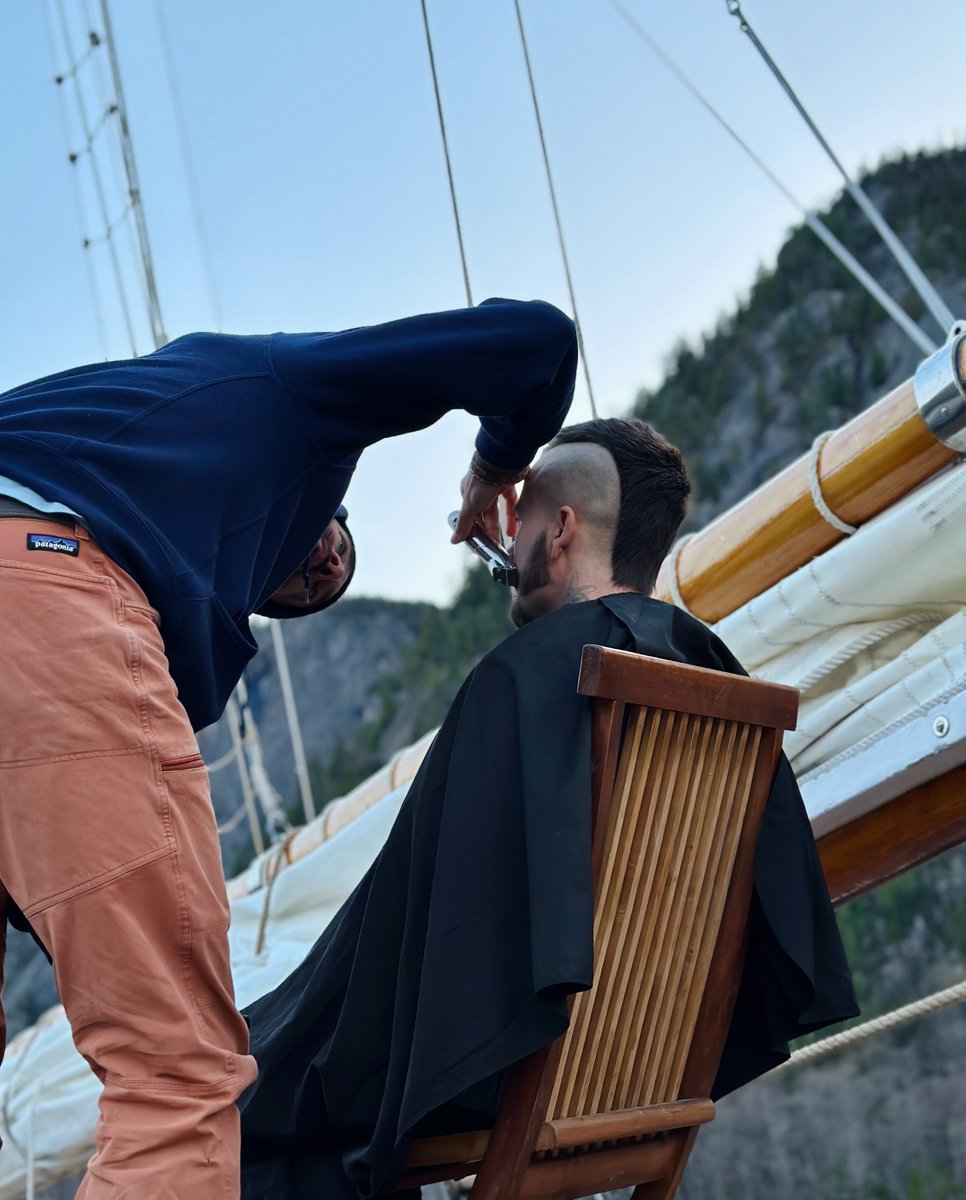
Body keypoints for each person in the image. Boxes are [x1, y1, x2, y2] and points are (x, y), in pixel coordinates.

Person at [0, 297, 578, 1199]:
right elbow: (537, 341)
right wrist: (495, 468)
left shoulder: (117, 442)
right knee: (174, 1079)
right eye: (327, 554)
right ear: (317, 500)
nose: (321, 574)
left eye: (303, 595)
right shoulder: (289, 396)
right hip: (38, 584)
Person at [238, 417, 859, 1200]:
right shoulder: (717, 676)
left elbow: (400, 953)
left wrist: (254, 1046)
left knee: (236, 1113)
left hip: (494, 1077)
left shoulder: (521, 680)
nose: (510, 536)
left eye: (523, 516)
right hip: (636, 1080)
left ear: (561, 530)